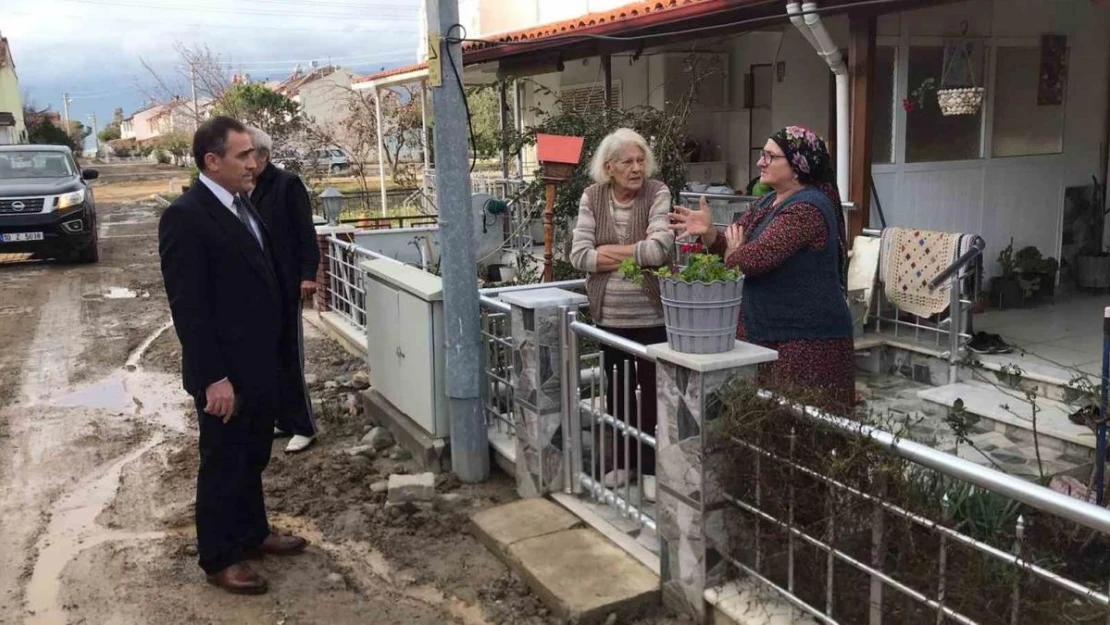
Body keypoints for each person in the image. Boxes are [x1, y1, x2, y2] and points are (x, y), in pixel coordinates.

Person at [158, 116, 307, 595]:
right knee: (223, 462)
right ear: (212, 161)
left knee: (253, 456)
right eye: (243, 156)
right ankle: (222, 555)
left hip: (261, 363)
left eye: (255, 154)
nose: (254, 163)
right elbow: (190, 308)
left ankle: (253, 531)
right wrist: (213, 378)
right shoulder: (186, 215)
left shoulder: (243, 204)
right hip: (226, 374)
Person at [670, 125, 855, 409]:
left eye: (770, 156)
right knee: (769, 431)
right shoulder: (769, 201)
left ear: (797, 164)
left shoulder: (807, 209)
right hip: (772, 337)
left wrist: (735, 252)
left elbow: (752, 260)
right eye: (762, 155)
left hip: (804, 343)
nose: (760, 163)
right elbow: (733, 244)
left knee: (800, 433)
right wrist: (709, 233)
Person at [570, 128, 674, 501]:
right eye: (628, 161)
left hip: (651, 316)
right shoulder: (592, 197)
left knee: (650, 397)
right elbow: (579, 255)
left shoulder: (657, 192)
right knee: (618, 396)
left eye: (641, 159)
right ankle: (625, 462)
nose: (637, 167)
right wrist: (633, 251)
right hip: (608, 317)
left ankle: (649, 467)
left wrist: (607, 252)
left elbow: (659, 250)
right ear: (609, 167)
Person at [246, 126, 321, 454]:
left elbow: (306, 231)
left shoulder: (287, 184)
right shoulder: (245, 187)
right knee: (267, 357)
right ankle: (282, 418)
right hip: (258, 288)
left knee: (290, 357)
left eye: (249, 154)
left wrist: (308, 275)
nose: (246, 161)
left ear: (263, 155)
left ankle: (304, 425)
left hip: (286, 283)